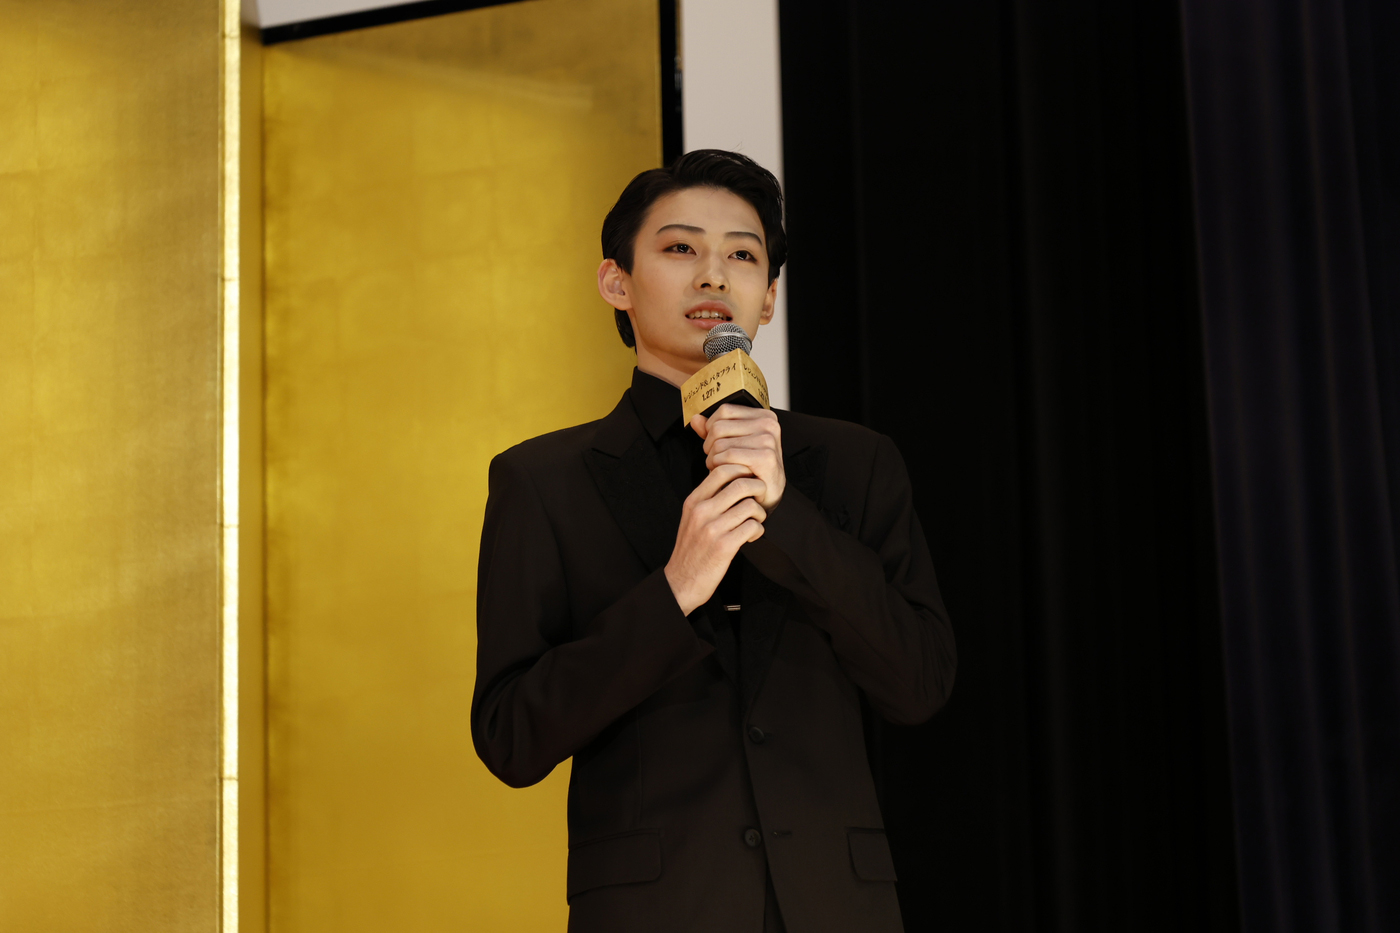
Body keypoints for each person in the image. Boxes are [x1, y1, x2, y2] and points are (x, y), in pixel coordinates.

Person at [471, 149, 955, 933]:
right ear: (616, 282)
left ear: (771, 297)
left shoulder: (854, 463)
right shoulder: (543, 480)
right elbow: (511, 736)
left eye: (743, 255)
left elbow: (920, 680)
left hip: (838, 907)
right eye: (680, 248)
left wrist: (788, 517)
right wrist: (673, 593)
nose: (713, 275)